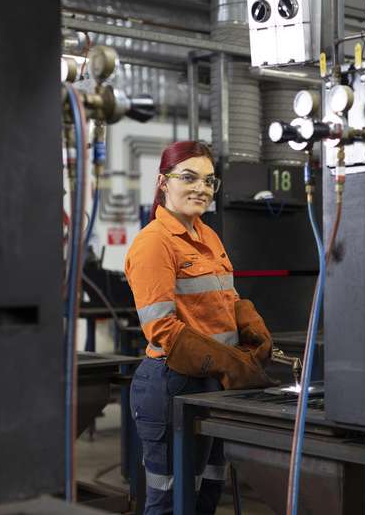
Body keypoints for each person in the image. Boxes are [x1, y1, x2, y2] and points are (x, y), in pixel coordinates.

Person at [126, 141, 273, 515]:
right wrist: (229, 362)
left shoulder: (208, 236)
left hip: (212, 383)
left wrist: (250, 327)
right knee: (171, 500)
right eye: (188, 177)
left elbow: (226, 297)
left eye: (209, 181)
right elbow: (162, 328)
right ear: (163, 182)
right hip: (172, 384)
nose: (201, 188)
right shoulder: (153, 244)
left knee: (208, 493)